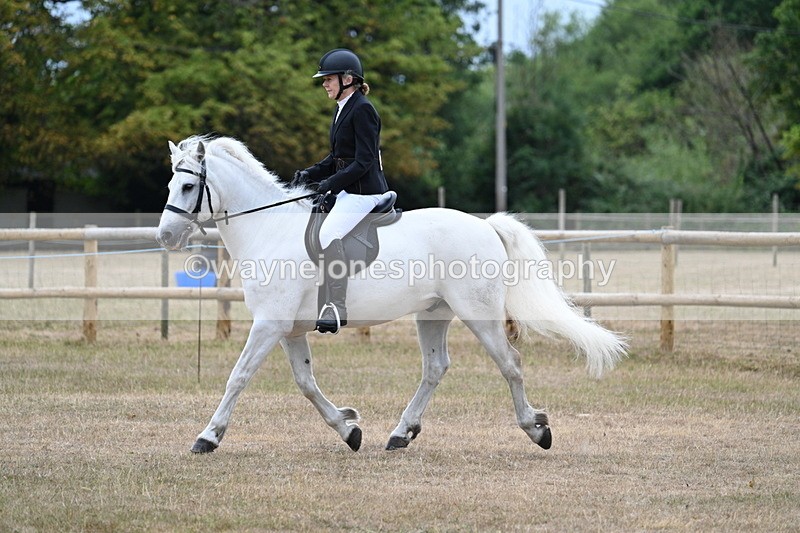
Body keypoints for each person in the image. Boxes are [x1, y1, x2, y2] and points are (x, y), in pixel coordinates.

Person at [292, 48, 392, 334]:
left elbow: (364, 161)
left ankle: (336, 306)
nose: (324, 84)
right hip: (351, 189)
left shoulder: (363, 109)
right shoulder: (343, 108)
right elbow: (338, 158)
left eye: (328, 79)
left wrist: (330, 184)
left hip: (366, 192)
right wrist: (311, 172)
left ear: (348, 79)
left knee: (328, 233)